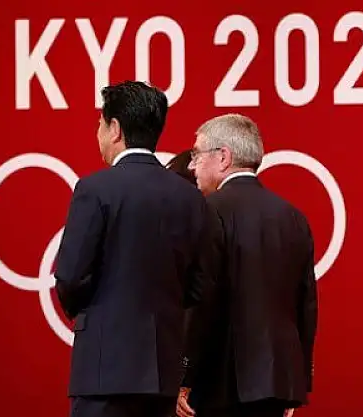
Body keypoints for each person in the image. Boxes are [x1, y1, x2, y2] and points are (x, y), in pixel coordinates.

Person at [53, 81, 213, 417]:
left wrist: (96, 315)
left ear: (115, 128)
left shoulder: (95, 189)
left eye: (100, 123)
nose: (97, 133)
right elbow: (199, 285)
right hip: (162, 371)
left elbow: (69, 276)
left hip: (104, 368)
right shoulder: (190, 197)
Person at [177, 114, 318, 417]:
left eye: (197, 155)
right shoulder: (293, 217)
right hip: (277, 381)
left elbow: (201, 301)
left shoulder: (208, 210)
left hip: (222, 382)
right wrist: (295, 380)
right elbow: (306, 305)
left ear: (223, 157)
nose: (191, 166)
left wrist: (183, 376)